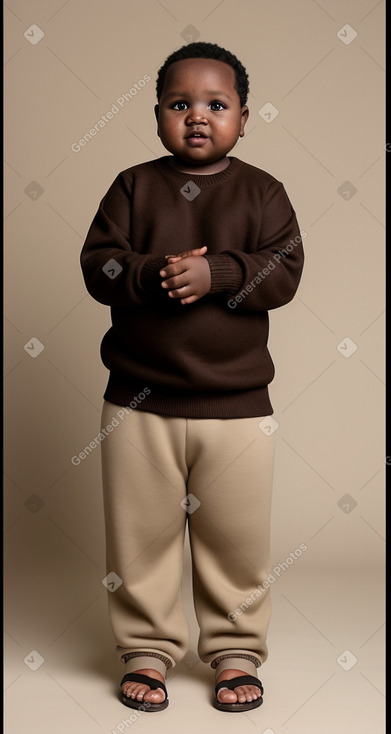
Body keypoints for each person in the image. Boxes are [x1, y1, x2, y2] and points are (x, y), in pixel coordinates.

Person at [80, 41, 304, 713]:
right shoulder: (133, 186)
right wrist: (148, 273)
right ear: (156, 115)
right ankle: (146, 648)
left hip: (236, 409)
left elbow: (285, 271)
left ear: (244, 116)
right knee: (139, 538)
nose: (197, 117)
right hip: (137, 404)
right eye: (180, 104)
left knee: (234, 542)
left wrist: (220, 273)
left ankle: (235, 650)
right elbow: (99, 267)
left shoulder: (262, 191)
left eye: (216, 104)